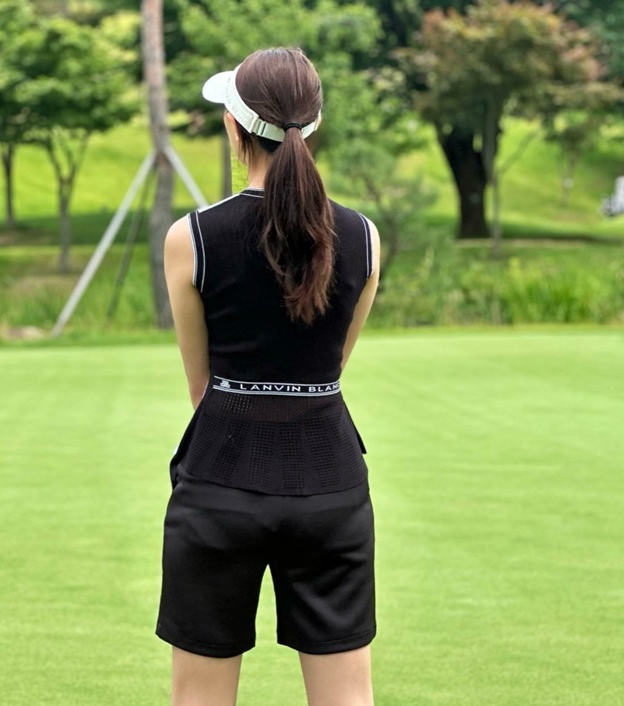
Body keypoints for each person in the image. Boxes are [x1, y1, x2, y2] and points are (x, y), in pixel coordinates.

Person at [156, 47, 381, 706]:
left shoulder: (191, 238)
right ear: (314, 126)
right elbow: (330, 368)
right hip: (330, 483)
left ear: (234, 127)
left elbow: (202, 388)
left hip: (220, 479)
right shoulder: (364, 237)